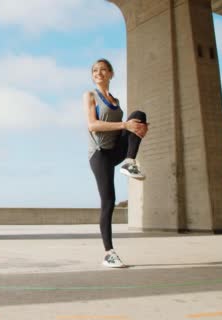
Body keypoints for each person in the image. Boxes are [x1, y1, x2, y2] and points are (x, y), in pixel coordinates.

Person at [83, 58, 148, 268]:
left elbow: (127, 127)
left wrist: (138, 130)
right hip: (100, 154)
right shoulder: (90, 95)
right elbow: (92, 125)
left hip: (115, 151)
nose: (98, 73)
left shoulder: (116, 101)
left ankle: (129, 161)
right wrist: (125, 125)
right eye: (95, 70)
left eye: (103, 70)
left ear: (111, 73)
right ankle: (109, 253)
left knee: (139, 116)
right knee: (109, 202)